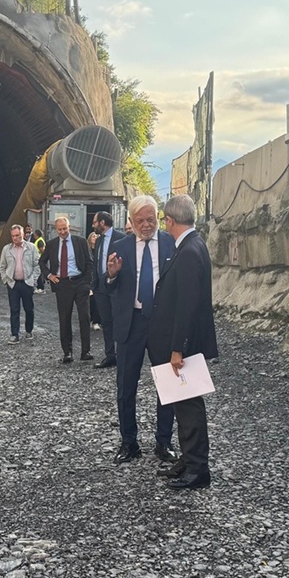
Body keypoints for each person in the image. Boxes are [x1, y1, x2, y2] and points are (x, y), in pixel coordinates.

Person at [148, 194, 219, 490]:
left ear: (169, 221)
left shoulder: (189, 251)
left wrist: (178, 347)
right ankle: (189, 460)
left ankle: (198, 468)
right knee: (182, 404)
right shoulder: (192, 245)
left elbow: (187, 305)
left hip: (182, 346)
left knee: (189, 405)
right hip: (181, 342)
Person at [103, 197, 177, 465]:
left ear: (158, 218)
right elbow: (109, 286)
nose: (146, 225)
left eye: (150, 219)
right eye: (140, 221)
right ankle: (129, 442)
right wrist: (112, 275)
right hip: (131, 323)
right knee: (126, 386)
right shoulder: (120, 246)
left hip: (162, 322)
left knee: (167, 384)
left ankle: (164, 442)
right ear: (131, 222)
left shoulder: (171, 243)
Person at [39, 215, 93, 363]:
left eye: (65, 228)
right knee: (64, 318)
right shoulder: (52, 244)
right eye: (60, 229)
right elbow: (42, 262)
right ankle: (67, 352)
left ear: (69, 227)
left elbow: (89, 262)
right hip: (62, 285)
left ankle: (85, 351)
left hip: (80, 282)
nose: (62, 232)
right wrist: (49, 275)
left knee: (84, 317)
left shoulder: (80, 242)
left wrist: (87, 282)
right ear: (56, 230)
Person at [0, 224, 40, 343]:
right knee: (14, 309)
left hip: (27, 283)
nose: (15, 238)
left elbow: (37, 265)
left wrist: (33, 280)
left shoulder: (31, 248)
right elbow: (2, 266)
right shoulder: (6, 249)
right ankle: (14, 334)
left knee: (29, 309)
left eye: (17, 235)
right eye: (13, 236)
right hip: (13, 284)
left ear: (23, 234)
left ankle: (29, 330)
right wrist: (6, 280)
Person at [89, 211, 119, 369]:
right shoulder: (99, 240)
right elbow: (97, 262)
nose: (92, 225)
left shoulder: (121, 238)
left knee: (119, 321)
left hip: (116, 287)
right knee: (106, 322)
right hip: (100, 288)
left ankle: (122, 354)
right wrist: (94, 284)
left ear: (102, 223)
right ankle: (110, 355)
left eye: (94, 222)